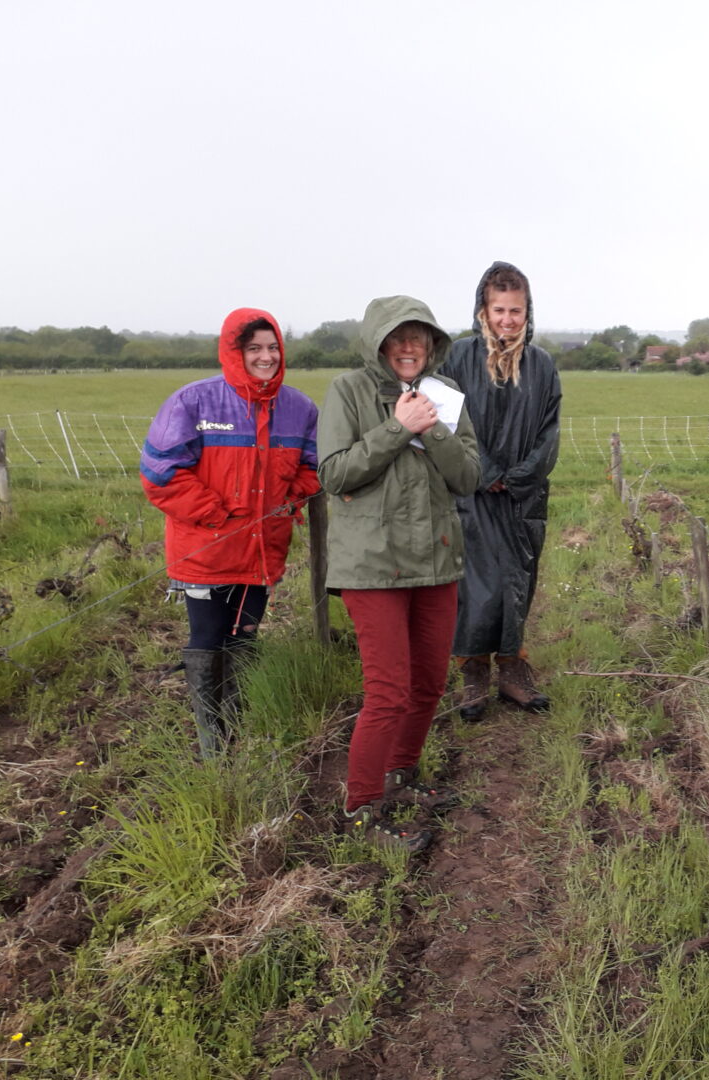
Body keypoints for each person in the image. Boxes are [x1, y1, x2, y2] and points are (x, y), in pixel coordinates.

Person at [317, 296, 480, 852]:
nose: (410, 347)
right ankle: (361, 808)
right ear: (378, 343)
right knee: (388, 692)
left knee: (430, 682)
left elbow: (468, 477)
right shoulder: (348, 392)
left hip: (435, 560)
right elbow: (334, 474)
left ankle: (399, 777)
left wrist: (432, 428)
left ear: (432, 345)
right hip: (373, 565)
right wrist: (395, 427)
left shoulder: (447, 398)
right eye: (399, 337)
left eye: (421, 338)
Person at [141, 308, 319, 759]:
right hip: (206, 551)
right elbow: (160, 473)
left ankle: (236, 725)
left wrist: (290, 499)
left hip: (261, 554)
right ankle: (210, 742)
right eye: (254, 348)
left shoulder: (300, 409)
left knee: (244, 637)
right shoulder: (193, 402)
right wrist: (216, 515)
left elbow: (312, 468)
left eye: (272, 347)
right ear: (233, 351)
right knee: (207, 637)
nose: (265, 357)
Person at [438, 262, 562, 720]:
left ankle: (512, 669)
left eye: (516, 310)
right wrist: (484, 470)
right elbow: (446, 420)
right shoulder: (459, 357)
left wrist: (520, 476)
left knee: (516, 583)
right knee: (475, 587)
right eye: (499, 310)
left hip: (523, 498)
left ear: (528, 312)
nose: (508, 319)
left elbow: (550, 432)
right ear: (483, 311)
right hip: (471, 494)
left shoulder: (542, 365)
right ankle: (473, 673)